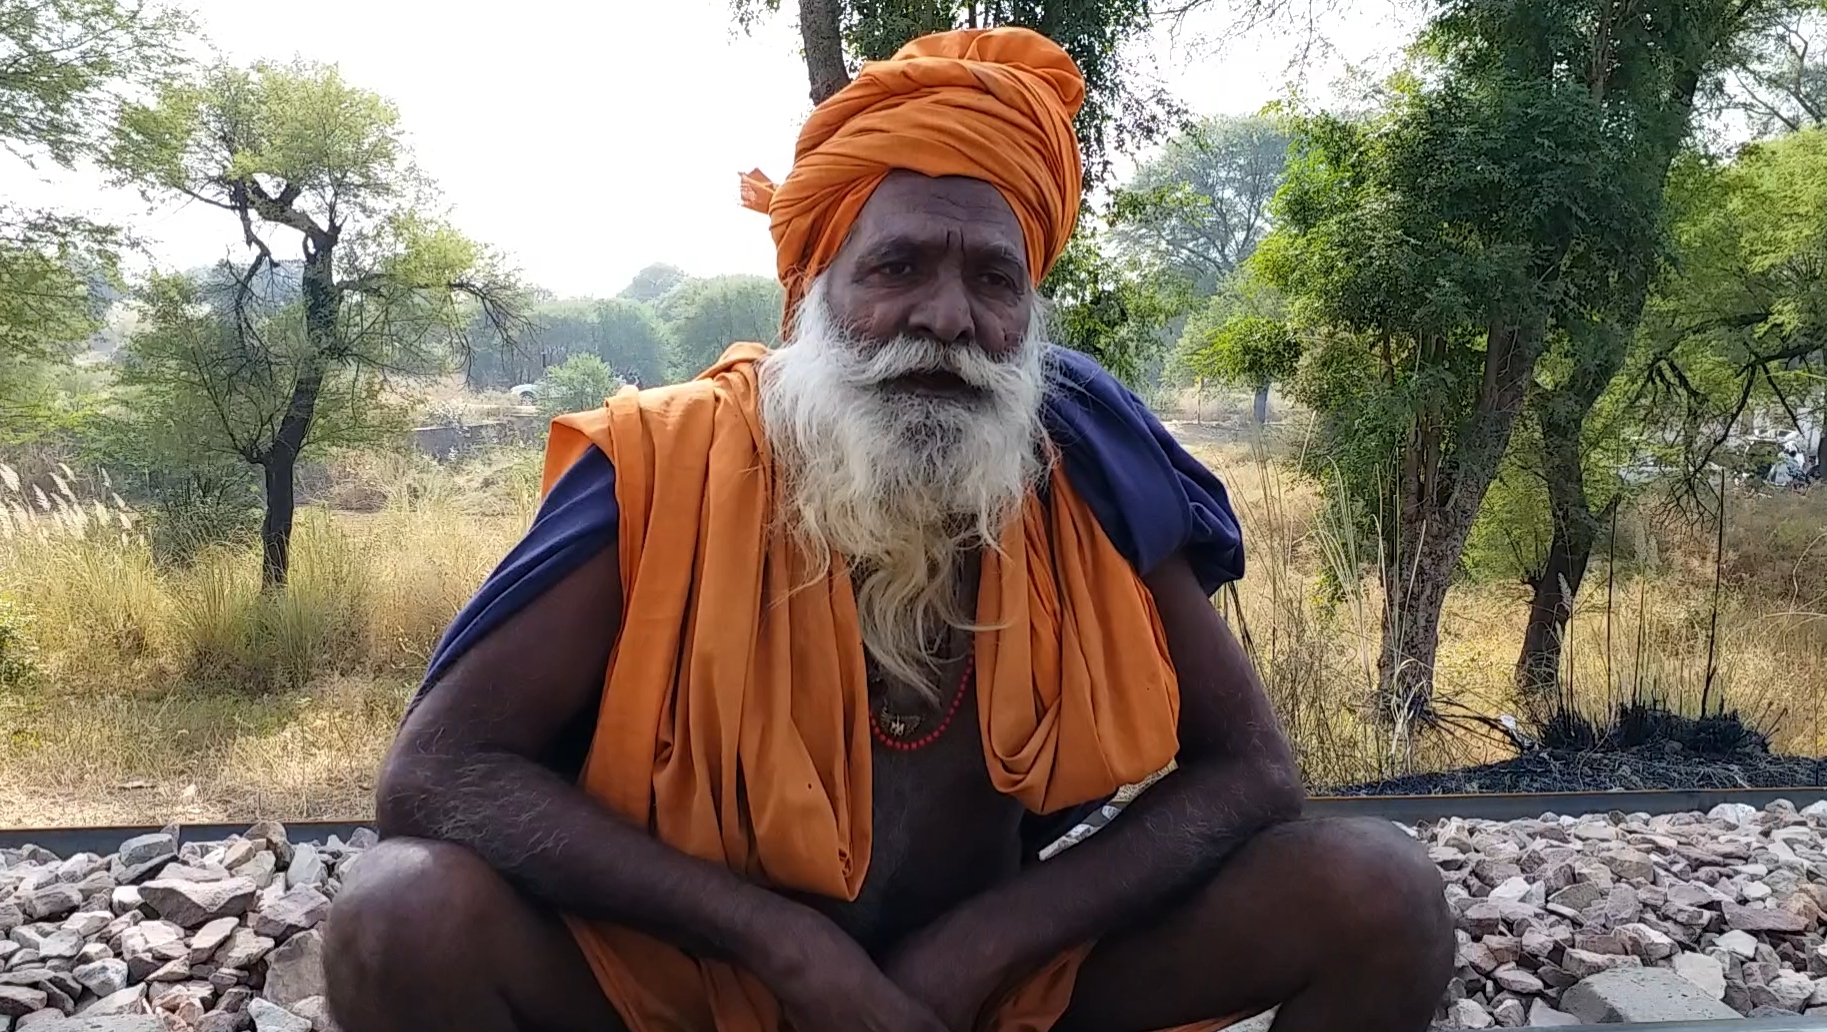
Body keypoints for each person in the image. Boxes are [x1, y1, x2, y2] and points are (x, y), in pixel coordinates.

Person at [324, 26, 1452, 1032]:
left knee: (1379, 896)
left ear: (1029, 312)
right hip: (684, 986)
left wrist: (984, 947)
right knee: (396, 916)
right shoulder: (661, 467)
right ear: (816, 288)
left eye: (993, 281)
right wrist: (783, 945)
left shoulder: (1085, 461)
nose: (948, 318)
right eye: (899, 267)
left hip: (993, 994)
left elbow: (1254, 773)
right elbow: (438, 775)